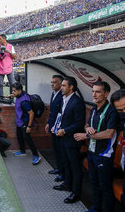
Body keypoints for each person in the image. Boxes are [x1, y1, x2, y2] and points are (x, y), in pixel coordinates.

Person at [74, 81, 118, 212]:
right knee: (94, 183)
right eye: (93, 91)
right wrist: (88, 129)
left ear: (106, 94)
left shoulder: (112, 111)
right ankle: (96, 207)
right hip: (92, 152)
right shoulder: (94, 109)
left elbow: (109, 133)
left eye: (98, 92)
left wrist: (86, 136)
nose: (94, 94)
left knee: (105, 186)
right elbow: (87, 125)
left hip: (104, 155)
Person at [53, 76, 85, 204]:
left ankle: (76, 193)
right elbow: (61, 116)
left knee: (75, 167)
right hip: (63, 138)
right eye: (62, 85)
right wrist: (56, 127)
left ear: (71, 87)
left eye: (64, 85)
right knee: (66, 162)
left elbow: (79, 123)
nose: (61, 87)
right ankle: (67, 183)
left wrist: (65, 130)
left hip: (72, 140)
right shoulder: (64, 99)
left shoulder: (77, 102)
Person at [8, 82, 41, 165]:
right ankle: (22, 151)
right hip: (19, 121)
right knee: (19, 136)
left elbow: (31, 113)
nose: (13, 92)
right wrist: (11, 96)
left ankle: (36, 155)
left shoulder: (24, 102)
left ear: (19, 90)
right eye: (13, 91)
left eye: (14, 91)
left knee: (27, 138)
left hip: (24, 122)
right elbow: (16, 95)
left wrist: (29, 126)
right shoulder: (21, 94)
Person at [45, 75, 64, 182]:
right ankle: (58, 168)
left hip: (59, 127)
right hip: (53, 125)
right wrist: (48, 123)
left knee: (60, 150)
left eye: (55, 82)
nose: (52, 84)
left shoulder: (62, 95)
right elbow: (52, 111)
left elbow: (61, 113)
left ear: (61, 84)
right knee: (56, 149)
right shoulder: (54, 94)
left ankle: (62, 172)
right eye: (51, 82)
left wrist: (57, 126)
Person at [0, 34, 17, 99]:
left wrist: (9, 52)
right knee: (0, 84)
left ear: (4, 38)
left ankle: (11, 98)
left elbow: (15, 57)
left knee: (12, 84)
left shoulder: (10, 46)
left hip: (9, 67)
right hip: (0, 67)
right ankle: (1, 97)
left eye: (0, 39)